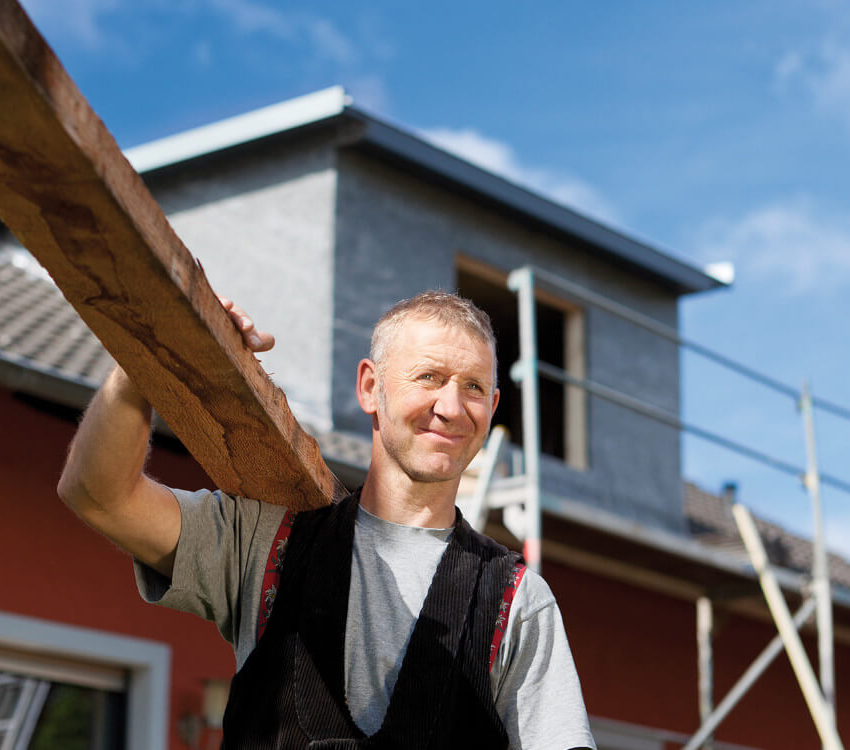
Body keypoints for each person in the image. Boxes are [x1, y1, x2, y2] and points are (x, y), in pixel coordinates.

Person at [58, 291, 595, 749]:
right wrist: (145, 357)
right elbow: (98, 494)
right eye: (429, 377)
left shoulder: (517, 602)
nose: (451, 407)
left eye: (474, 387)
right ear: (370, 388)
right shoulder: (268, 544)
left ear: (493, 406)